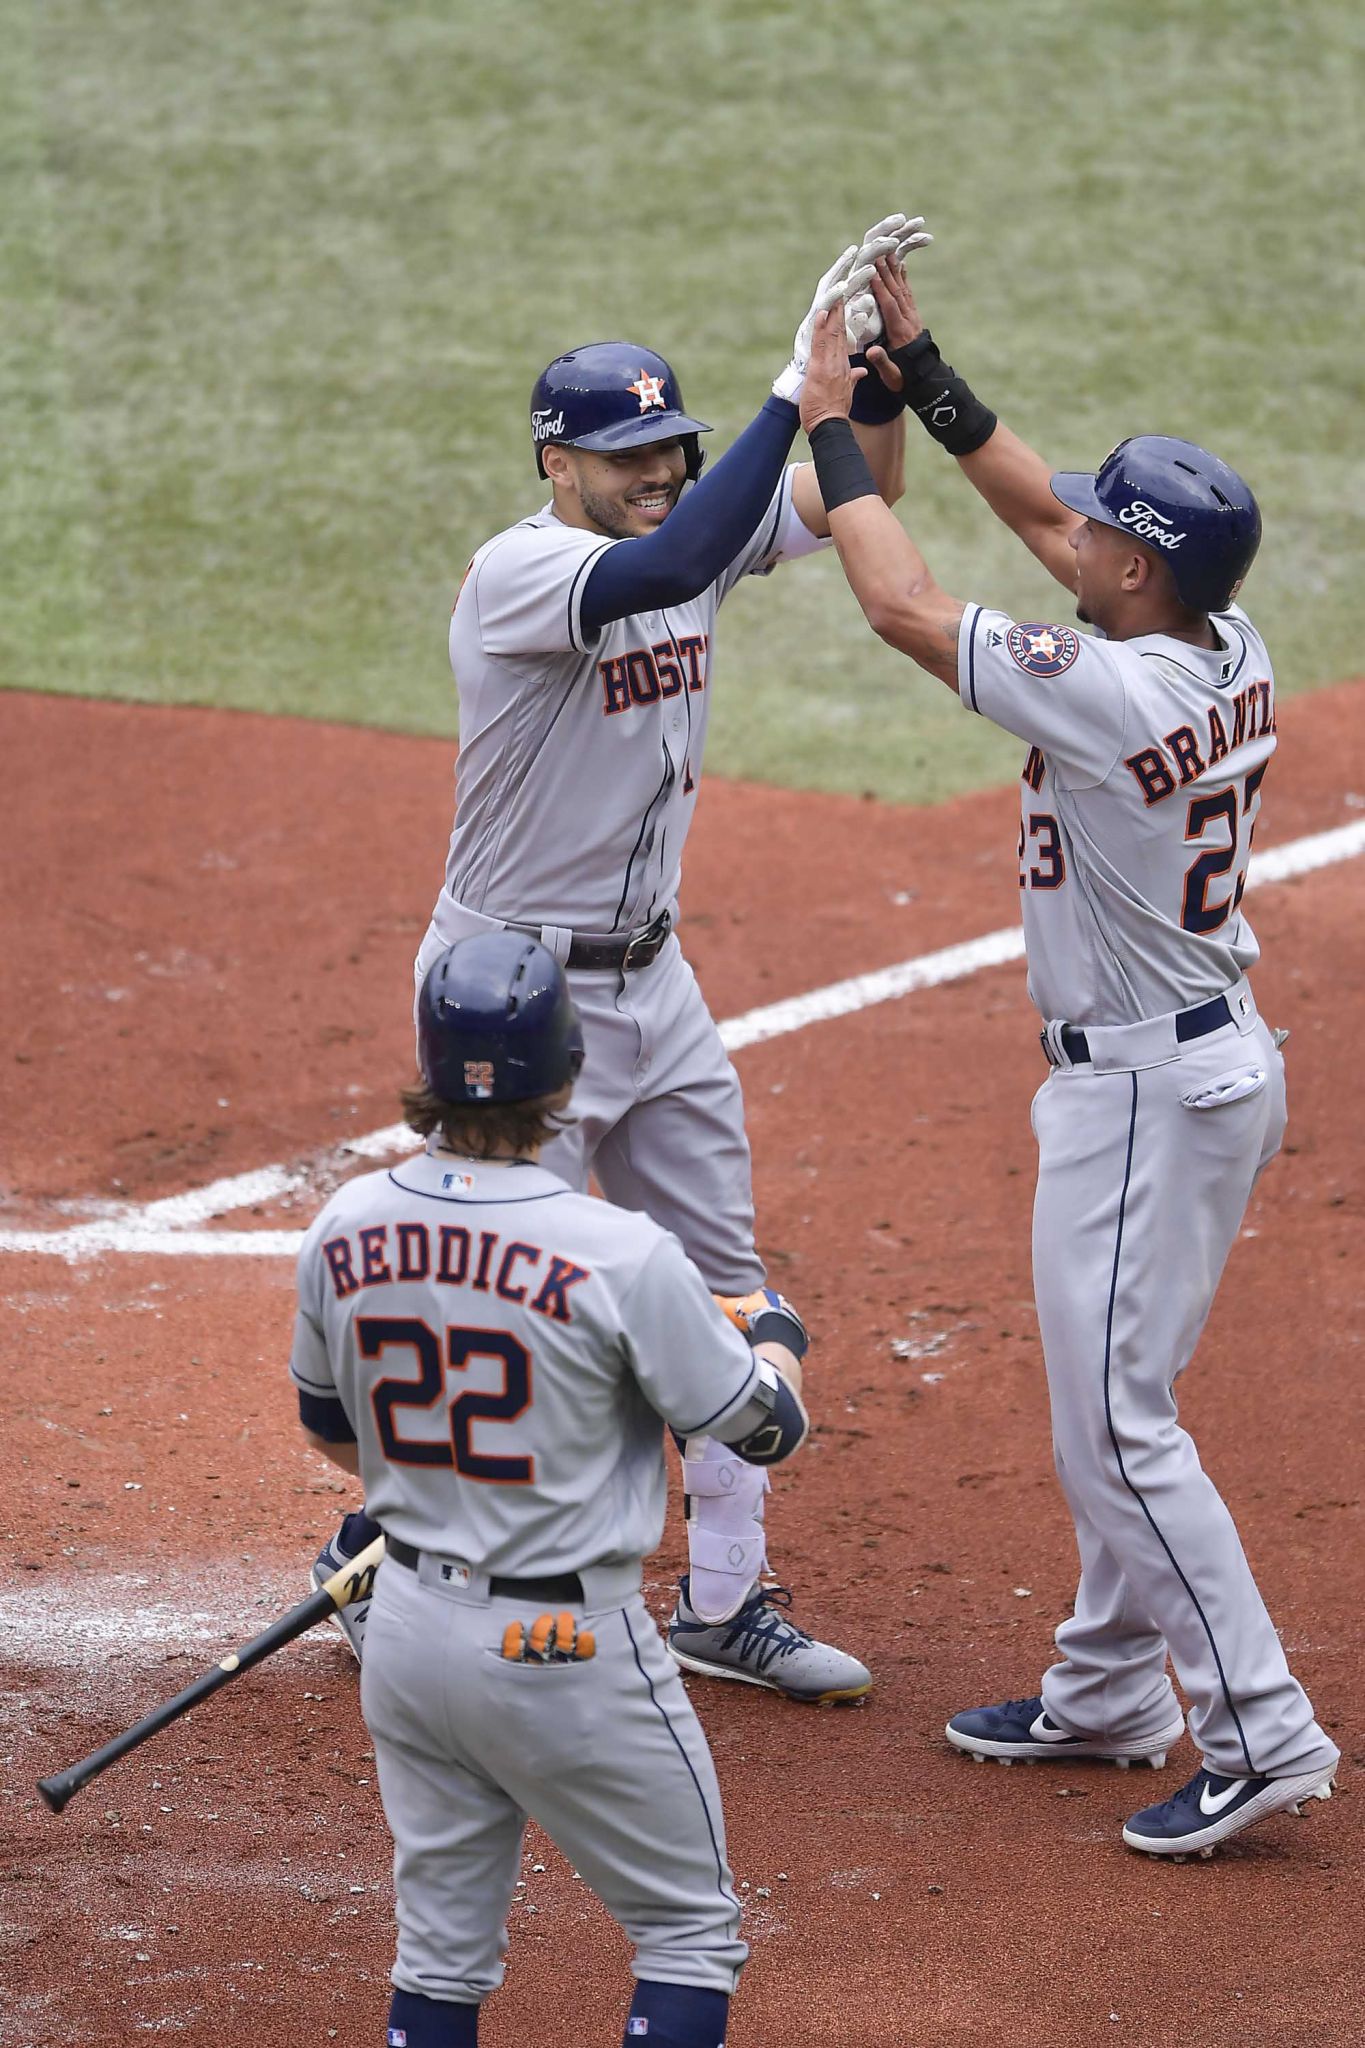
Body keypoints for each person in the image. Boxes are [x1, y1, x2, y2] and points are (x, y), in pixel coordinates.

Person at [313, 214, 933, 1699]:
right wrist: (788, 396)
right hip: (510, 989)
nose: (654, 468)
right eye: (620, 451)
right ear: (555, 463)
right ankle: (379, 1551)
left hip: (655, 976)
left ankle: (726, 1599)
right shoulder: (524, 573)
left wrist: (878, 379)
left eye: (669, 446)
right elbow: (668, 567)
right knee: (511, 1287)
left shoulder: (686, 528)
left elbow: (863, 495)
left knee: (723, 1276)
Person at [791, 270, 1340, 1858]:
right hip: (1213, 1064)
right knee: (1129, 1393)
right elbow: (1044, 527)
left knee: (1114, 1423)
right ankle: (1109, 1690)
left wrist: (835, 425)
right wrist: (930, 374)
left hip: (1144, 1097)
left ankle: (1256, 1724)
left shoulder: (1107, 687)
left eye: (1109, 527)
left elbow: (901, 607)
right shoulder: (1217, 644)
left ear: (1142, 570)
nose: (1077, 531)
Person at [291, 931, 819, 2047]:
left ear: (428, 1069)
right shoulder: (622, 1251)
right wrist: (776, 1337)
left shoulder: (343, 1228)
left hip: (409, 1628)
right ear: (569, 1077)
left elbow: (336, 1433)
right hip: (566, 1650)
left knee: (438, 1957)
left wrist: (447, 1493)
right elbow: (762, 1428)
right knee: (686, 1932)